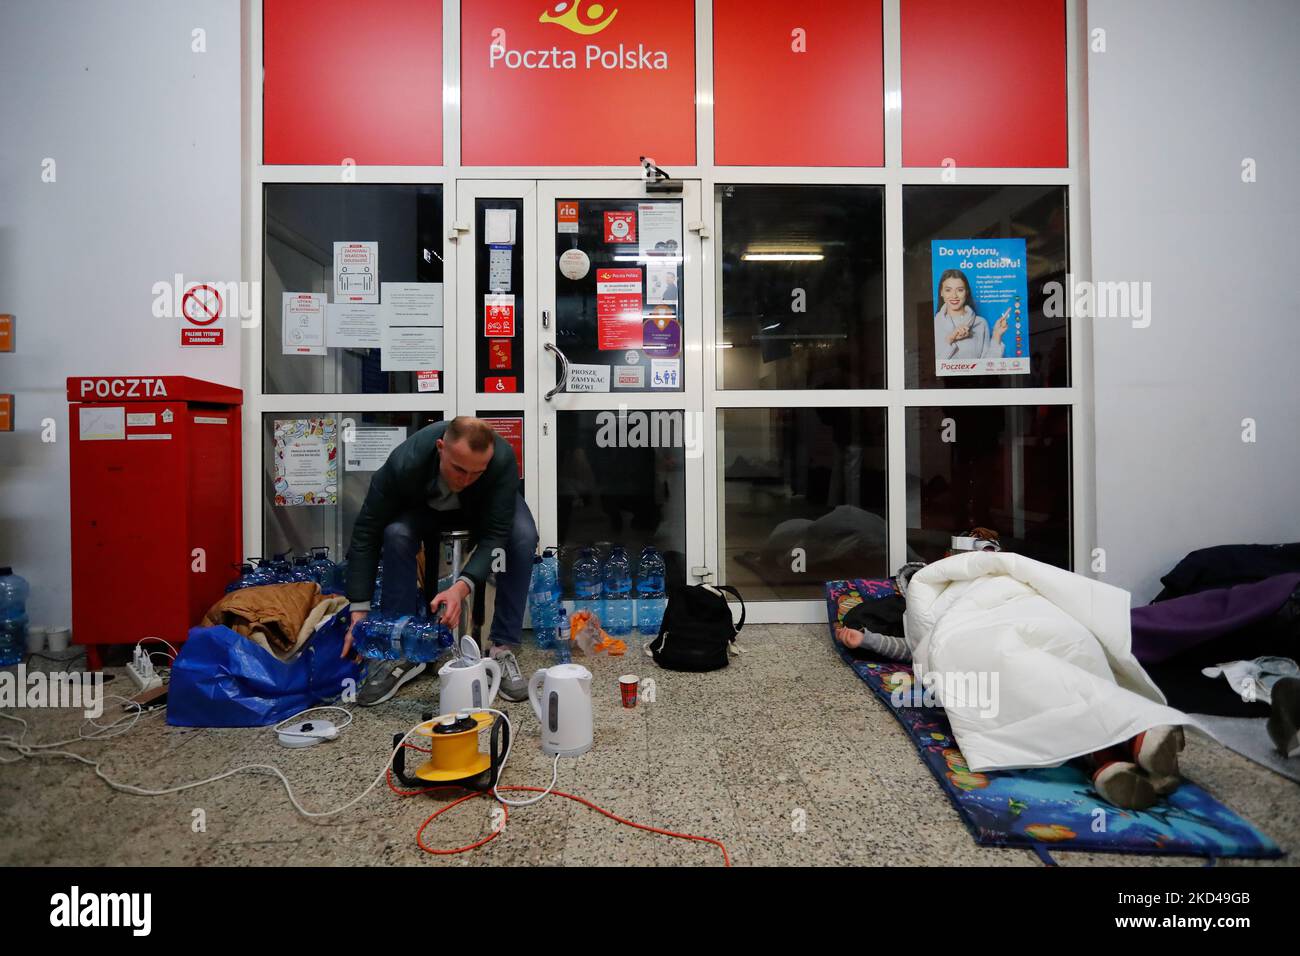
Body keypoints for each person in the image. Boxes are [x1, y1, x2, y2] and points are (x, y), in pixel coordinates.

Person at [342, 416, 537, 706]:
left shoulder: (501, 459)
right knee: (396, 533)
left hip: (483, 509)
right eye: (459, 469)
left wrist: (461, 587)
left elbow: (495, 534)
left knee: (522, 536)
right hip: (428, 507)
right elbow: (366, 532)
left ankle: (502, 648)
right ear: (440, 447)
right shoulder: (404, 463)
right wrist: (358, 611)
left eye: (476, 473)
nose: (466, 479)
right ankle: (401, 648)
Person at [932, 269, 1010, 364]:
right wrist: (950, 339)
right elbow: (931, 367)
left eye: (960, 290)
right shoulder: (934, 324)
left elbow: (987, 365)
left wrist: (997, 335)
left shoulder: (981, 323)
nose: (954, 295)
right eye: (948, 290)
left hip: (976, 379)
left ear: (967, 292)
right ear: (941, 293)